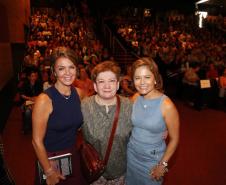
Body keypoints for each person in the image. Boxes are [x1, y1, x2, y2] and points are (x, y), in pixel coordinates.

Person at [32, 47, 86, 185]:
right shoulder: (44, 100)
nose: (67, 73)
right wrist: (49, 171)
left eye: (71, 67)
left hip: (72, 155)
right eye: (61, 68)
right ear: (54, 72)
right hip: (50, 159)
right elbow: (36, 141)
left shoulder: (79, 93)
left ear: (76, 69)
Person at [126, 57, 180, 185]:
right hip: (132, 156)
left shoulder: (167, 105)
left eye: (147, 77)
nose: (142, 82)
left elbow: (175, 139)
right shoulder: (135, 97)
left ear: (155, 79)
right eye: (137, 78)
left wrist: (163, 165)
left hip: (152, 161)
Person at [81, 61, 132, 185]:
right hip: (95, 172)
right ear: (95, 86)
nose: (107, 86)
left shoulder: (128, 105)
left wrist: (161, 128)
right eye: (101, 81)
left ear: (118, 84)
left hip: (120, 172)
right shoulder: (84, 106)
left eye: (111, 81)